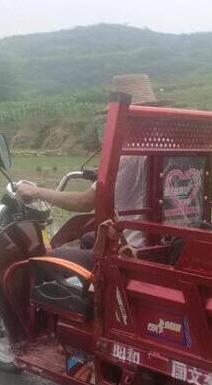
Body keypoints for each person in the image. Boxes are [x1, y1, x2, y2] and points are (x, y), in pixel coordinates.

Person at [15, 74, 161, 267]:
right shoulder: (173, 151)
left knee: (44, 262)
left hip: (132, 251)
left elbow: (84, 203)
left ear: (125, 117)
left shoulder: (128, 158)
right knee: (87, 239)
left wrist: (37, 191)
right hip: (161, 245)